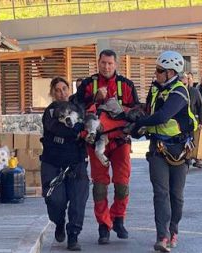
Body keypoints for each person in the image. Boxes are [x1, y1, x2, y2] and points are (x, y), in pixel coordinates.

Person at [133, 51, 197, 252]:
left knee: (176, 195)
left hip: (179, 149)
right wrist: (134, 127)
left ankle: (173, 229)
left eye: (159, 70)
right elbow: (148, 114)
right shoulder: (155, 90)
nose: (156, 73)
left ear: (170, 73)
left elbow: (162, 116)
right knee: (160, 193)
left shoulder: (180, 91)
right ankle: (162, 236)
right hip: (157, 149)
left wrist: (139, 122)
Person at [75, 49, 139, 245]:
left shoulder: (126, 85)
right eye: (103, 63)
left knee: (122, 184)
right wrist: (94, 98)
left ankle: (118, 219)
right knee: (100, 186)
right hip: (96, 141)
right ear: (98, 62)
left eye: (110, 63)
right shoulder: (87, 84)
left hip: (120, 141)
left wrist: (122, 111)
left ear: (116, 64)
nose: (106, 66)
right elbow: (76, 108)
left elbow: (137, 111)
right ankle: (104, 225)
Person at [40, 77, 89, 251]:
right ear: (52, 93)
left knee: (78, 201)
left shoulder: (78, 108)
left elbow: (88, 125)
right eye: (57, 90)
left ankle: (73, 235)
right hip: (53, 163)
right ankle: (59, 222)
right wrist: (75, 130)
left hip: (76, 161)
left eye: (64, 89)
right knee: (55, 200)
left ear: (69, 90)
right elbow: (56, 128)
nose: (62, 93)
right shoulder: (51, 112)